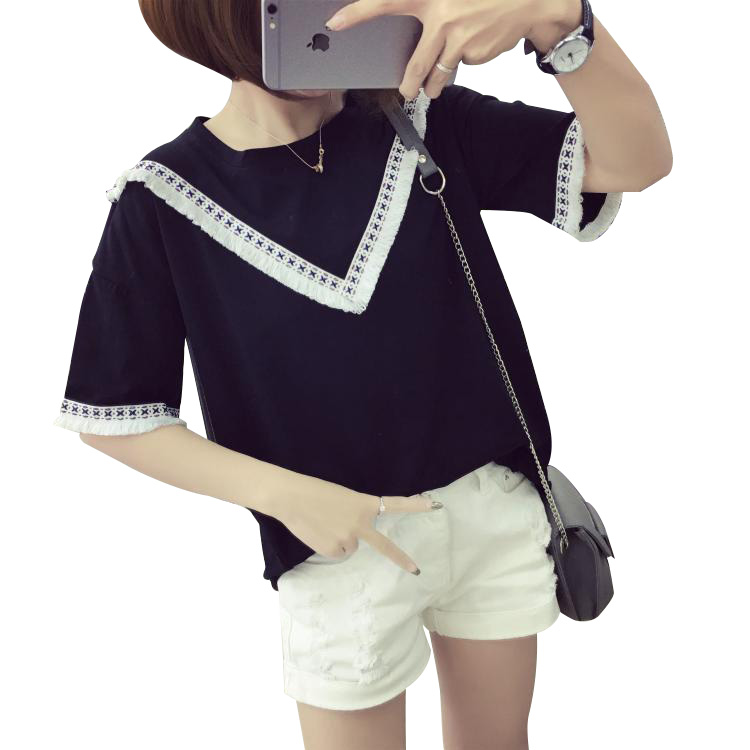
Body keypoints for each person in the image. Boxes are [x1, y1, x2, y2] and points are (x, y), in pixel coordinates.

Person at [52, 0, 671, 747]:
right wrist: (286, 497)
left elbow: (636, 161)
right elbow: (115, 416)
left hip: (491, 512)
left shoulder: (426, 123)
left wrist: (556, 19)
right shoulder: (162, 198)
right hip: (341, 548)